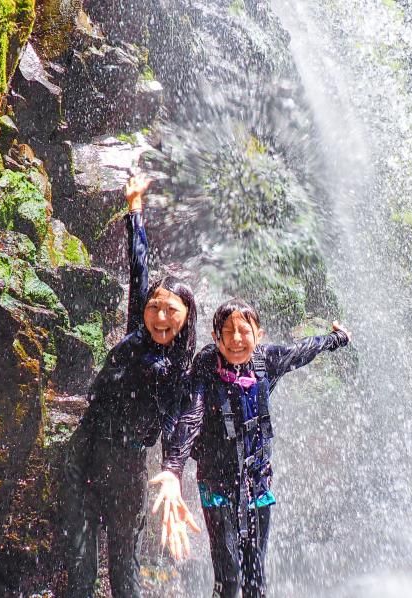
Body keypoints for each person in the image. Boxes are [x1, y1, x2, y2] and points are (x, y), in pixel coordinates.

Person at [150, 298, 350, 598]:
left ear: (259, 335)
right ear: (216, 337)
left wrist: (337, 338)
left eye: (244, 330)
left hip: (257, 484)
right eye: (227, 331)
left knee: (256, 580)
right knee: (229, 579)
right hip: (216, 486)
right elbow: (191, 416)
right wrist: (172, 470)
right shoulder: (206, 367)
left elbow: (302, 351)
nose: (236, 339)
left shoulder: (266, 360)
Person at [62, 174, 198, 597]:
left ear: (186, 317)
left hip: (126, 462)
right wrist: (135, 204)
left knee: (124, 559)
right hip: (84, 448)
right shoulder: (137, 332)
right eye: (154, 307)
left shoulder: (181, 368)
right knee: (80, 558)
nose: (159, 316)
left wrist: (173, 470)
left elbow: (181, 420)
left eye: (169, 310)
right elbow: (139, 264)